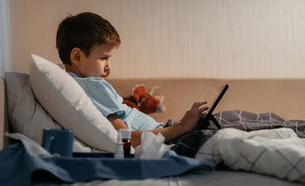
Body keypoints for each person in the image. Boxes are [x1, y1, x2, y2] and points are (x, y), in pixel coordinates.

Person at [56, 12, 208, 147]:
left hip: (166, 134)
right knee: (227, 125)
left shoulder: (70, 83)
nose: (109, 67)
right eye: (103, 58)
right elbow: (125, 140)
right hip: (167, 139)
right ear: (77, 57)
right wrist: (182, 127)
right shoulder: (93, 85)